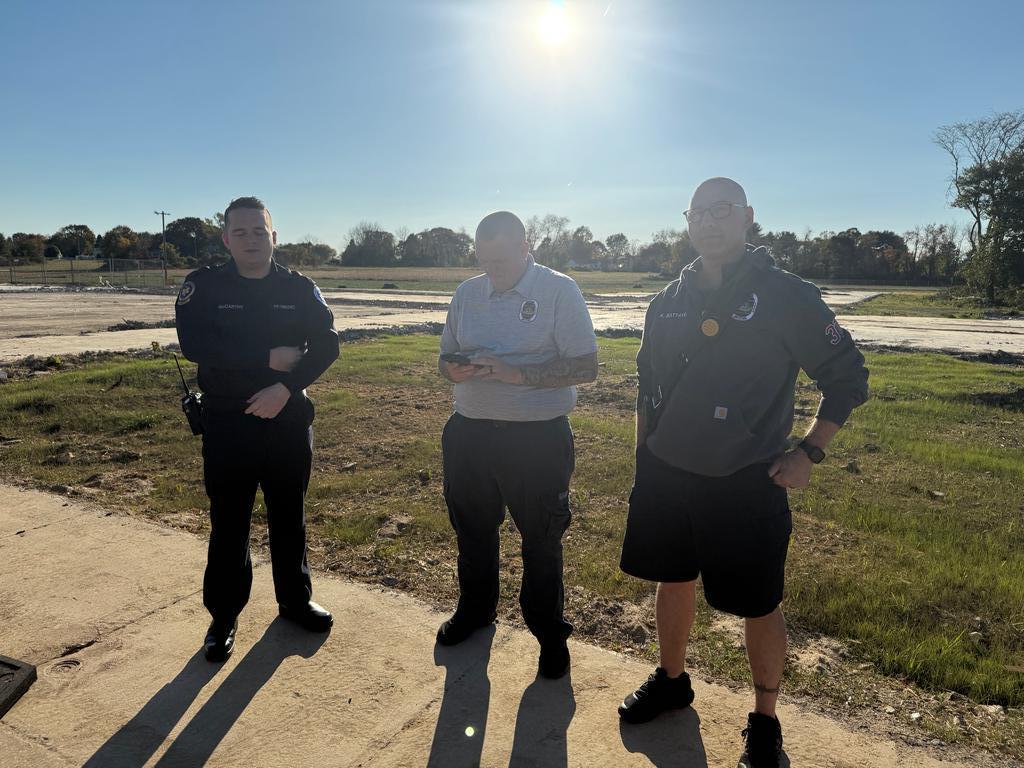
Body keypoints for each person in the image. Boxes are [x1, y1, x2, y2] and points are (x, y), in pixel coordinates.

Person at [617, 178, 869, 767]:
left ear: (748, 217)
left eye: (721, 210)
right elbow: (646, 388)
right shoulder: (667, 301)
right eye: (697, 212)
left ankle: (764, 719)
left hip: (745, 482)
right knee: (672, 578)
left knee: (759, 604)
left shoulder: (786, 296)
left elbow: (848, 376)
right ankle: (673, 681)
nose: (708, 222)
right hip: (666, 476)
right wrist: (642, 462)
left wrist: (809, 451)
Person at [176, 196, 339, 662]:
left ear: (274, 236)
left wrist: (285, 387)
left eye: (259, 231)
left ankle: (294, 601)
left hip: (286, 419)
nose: (251, 239)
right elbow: (195, 344)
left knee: (290, 514)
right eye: (240, 232)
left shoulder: (299, 287)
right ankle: (223, 616)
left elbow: (327, 344)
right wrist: (264, 359)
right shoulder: (202, 286)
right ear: (226, 239)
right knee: (229, 521)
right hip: (229, 421)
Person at [436, 210, 598, 679]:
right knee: (472, 530)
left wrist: (516, 374)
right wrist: (455, 369)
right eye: (485, 260)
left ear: (527, 246)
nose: (494, 270)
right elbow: (445, 357)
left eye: (503, 259)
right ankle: (475, 611)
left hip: (537, 438)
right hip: (469, 433)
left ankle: (549, 633)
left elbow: (585, 367)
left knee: (542, 538)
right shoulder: (467, 292)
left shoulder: (558, 290)